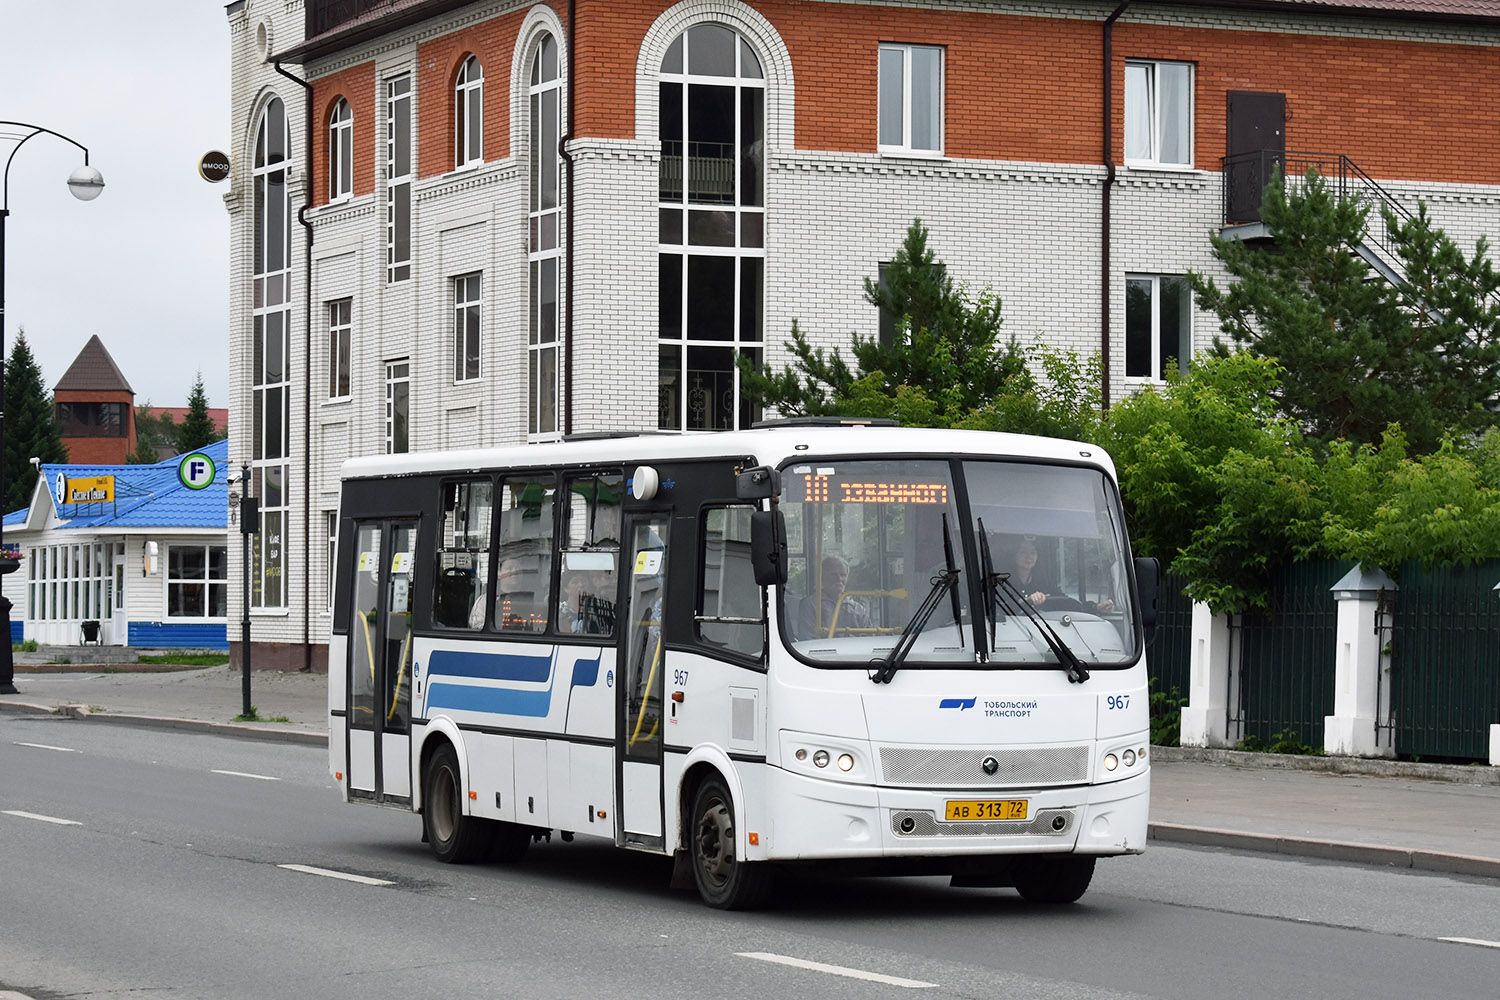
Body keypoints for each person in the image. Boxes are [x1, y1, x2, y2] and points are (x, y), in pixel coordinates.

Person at [1009, 536, 1113, 614]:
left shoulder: (1045, 583)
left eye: (1033, 553)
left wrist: (1096, 608)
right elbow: (999, 608)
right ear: (1014, 555)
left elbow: (1066, 603)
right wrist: (1027, 601)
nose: (1028, 557)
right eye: (1023, 552)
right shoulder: (1003, 582)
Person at [797, 554, 873, 638]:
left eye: (843, 575)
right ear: (822, 576)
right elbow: (807, 638)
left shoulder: (858, 609)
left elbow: (869, 638)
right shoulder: (810, 605)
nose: (839, 579)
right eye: (833, 574)